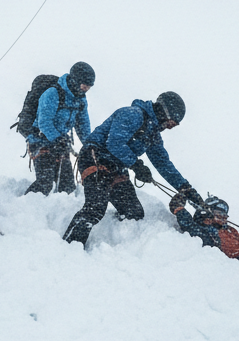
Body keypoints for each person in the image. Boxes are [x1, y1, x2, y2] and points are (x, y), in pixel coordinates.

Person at [62, 91, 203, 246]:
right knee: (95, 207)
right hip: (94, 159)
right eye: (171, 123)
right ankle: (68, 246)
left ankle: (114, 238)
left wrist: (186, 189)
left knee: (133, 212)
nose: (170, 127)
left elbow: (163, 164)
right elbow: (114, 143)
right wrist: (136, 165)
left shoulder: (153, 135)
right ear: (164, 112)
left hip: (116, 168)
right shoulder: (132, 115)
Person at [24, 62, 95, 196]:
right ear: (75, 81)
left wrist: (91, 145)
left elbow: (83, 126)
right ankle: (23, 208)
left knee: (67, 186)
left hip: (60, 144)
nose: (86, 89)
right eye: (84, 85)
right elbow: (44, 122)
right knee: (45, 182)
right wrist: (57, 139)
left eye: (88, 87)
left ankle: (59, 213)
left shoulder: (80, 100)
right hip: (40, 141)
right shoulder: (53, 93)